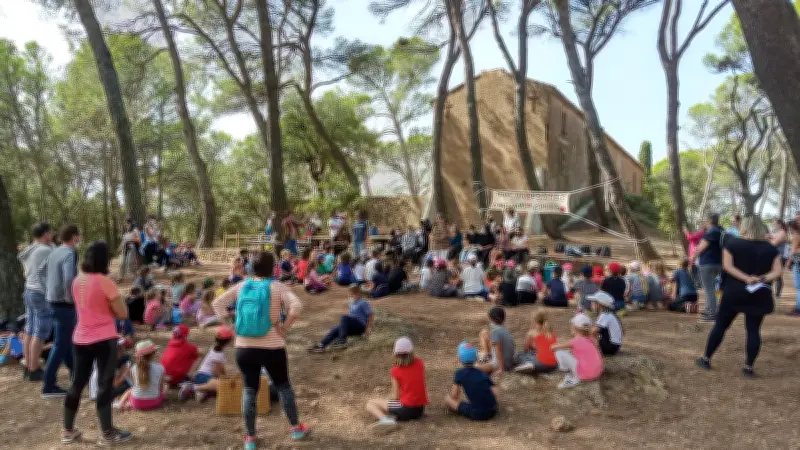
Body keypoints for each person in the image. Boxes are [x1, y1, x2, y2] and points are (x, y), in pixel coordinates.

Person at [212, 251, 310, 447]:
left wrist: (231, 327)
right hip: (273, 346)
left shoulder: (241, 286)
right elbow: (297, 306)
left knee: (249, 389)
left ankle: (250, 437)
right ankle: (295, 429)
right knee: (283, 386)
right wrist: (284, 327)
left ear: (251, 268)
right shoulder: (277, 287)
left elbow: (217, 303)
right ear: (272, 267)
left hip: (244, 347)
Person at [61, 240, 132, 445]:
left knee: (77, 383)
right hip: (103, 339)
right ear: (104, 260)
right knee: (104, 384)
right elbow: (123, 313)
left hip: (80, 338)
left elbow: (85, 308)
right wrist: (109, 308)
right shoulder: (104, 281)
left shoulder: (77, 281)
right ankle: (107, 434)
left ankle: (67, 430)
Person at [696, 215, 783, 377]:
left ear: (743, 227)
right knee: (753, 330)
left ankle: (706, 358)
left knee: (721, 326)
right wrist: (762, 278)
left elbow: (727, 267)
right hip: (760, 292)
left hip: (734, 292)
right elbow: (777, 272)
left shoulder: (732, 244)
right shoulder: (771, 249)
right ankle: (748, 367)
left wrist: (746, 278)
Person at [41, 224, 80, 398]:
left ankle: (75, 374)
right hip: (63, 304)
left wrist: (48, 290)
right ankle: (48, 385)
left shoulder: (54, 251)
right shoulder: (69, 253)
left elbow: (40, 272)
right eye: (78, 236)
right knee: (60, 344)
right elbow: (69, 280)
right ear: (74, 237)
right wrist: (70, 299)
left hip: (52, 301)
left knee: (65, 340)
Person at [366, 337, 428, 433]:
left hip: (406, 409)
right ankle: (393, 416)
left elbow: (396, 396)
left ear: (395, 353)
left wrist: (387, 400)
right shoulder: (420, 363)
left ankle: (386, 420)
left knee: (370, 403)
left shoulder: (395, 370)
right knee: (391, 404)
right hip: (420, 410)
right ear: (411, 351)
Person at [18, 221, 53, 381]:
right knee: (40, 331)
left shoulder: (29, 250)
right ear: (46, 233)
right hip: (40, 292)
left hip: (29, 291)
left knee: (30, 329)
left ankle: (27, 364)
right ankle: (34, 369)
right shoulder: (46, 250)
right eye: (50, 233)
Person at [308, 284, 374, 352]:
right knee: (335, 330)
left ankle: (342, 341)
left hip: (360, 326)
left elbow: (371, 314)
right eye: (351, 293)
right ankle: (321, 345)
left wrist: (368, 327)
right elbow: (351, 315)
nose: (352, 294)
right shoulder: (351, 302)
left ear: (358, 293)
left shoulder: (363, 302)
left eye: (354, 292)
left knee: (344, 317)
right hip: (352, 326)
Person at [445, 342, 499, 421]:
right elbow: (496, 392)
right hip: (493, 410)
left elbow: (454, 396)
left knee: (448, 399)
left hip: (478, 413)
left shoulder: (459, 373)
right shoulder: (482, 372)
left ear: (459, 359)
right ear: (476, 358)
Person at [179, 326, 234, 402]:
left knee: (222, 387)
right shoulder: (218, 353)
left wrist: (225, 376)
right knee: (222, 386)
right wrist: (223, 379)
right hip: (204, 376)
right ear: (228, 341)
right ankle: (193, 388)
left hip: (203, 376)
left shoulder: (216, 348)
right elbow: (215, 371)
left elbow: (221, 368)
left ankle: (202, 392)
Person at [551, 313, 603, 389]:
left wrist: (553, 346)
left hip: (585, 375)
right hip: (597, 373)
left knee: (559, 352)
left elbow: (554, 348)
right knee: (571, 353)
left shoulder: (575, 341)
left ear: (575, 328)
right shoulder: (592, 339)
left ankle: (569, 377)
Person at [117, 340, 166, 411]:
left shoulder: (134, 367)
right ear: (153, 353)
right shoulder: (160, 367)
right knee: (166, 387)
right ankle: (127, 404)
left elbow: (134, 385)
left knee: (130, 390)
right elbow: (161, 388)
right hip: (155, 402)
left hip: (136, 403)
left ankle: (121, 404)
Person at [693, 213, 725, 323]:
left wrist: (693, 256)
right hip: (719, 263)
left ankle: (712, 312)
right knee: (715, 288)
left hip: (707, 263)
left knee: (709, 288)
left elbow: (701, 247)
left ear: (710, 221)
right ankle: (710, 309)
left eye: (706, 220)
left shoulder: (711, 232)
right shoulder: (722, 231)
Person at [514, 308, 558, 374]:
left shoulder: (531, 333)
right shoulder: (551, 332)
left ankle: (529, 364)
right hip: (553, 365)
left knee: (519, 355)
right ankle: (533, 366)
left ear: (534, 321)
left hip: (540, 362)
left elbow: (526, 348)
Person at [476, 307, 516, 375]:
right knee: (484, 332)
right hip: (508, 362)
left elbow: (498, 352)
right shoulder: (504, 330)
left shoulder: (495, 332)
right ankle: (485, 355)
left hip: (500, 364)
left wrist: (501, 369)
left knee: (474, 367)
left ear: (490, 318)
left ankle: (485, 357)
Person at [768, 219, 789, 297]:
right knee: (773, 273)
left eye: (775, 224)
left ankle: (777, 294)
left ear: (780, 224)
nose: (774, 225)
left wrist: (769, 239)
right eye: (773, 224)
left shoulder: (782, 232)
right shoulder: (776, 233)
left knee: (777, 274)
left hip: (781, 256)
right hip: (775, 256)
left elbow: (774, 244)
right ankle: (774, 292)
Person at [788, 220, 800, 315]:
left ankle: (798, 308)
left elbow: (793, 251)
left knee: (798, 287)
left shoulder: (796, 236)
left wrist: (788, 262)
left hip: (797, 262)